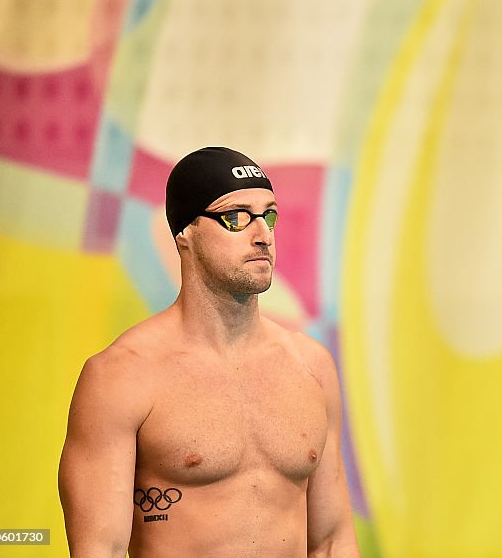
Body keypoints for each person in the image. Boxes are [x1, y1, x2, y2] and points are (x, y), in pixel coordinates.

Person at [59, 147, 359, 557]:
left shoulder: (311, 367)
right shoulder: (123, 376)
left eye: (268, 215)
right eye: (236, 217)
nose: (262, 234)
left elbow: (332, 541)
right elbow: (100, 550)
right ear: (185, 233)